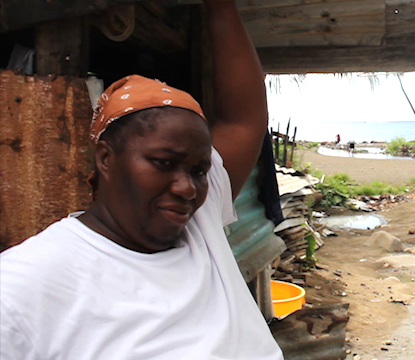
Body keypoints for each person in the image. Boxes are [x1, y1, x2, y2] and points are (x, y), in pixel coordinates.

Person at [0, 0, 283, 358]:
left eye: (199, 170)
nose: (187, 188)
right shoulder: (22, 286)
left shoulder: (200, 224)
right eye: (164, 162)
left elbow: (244, 121)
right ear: (106, 158)